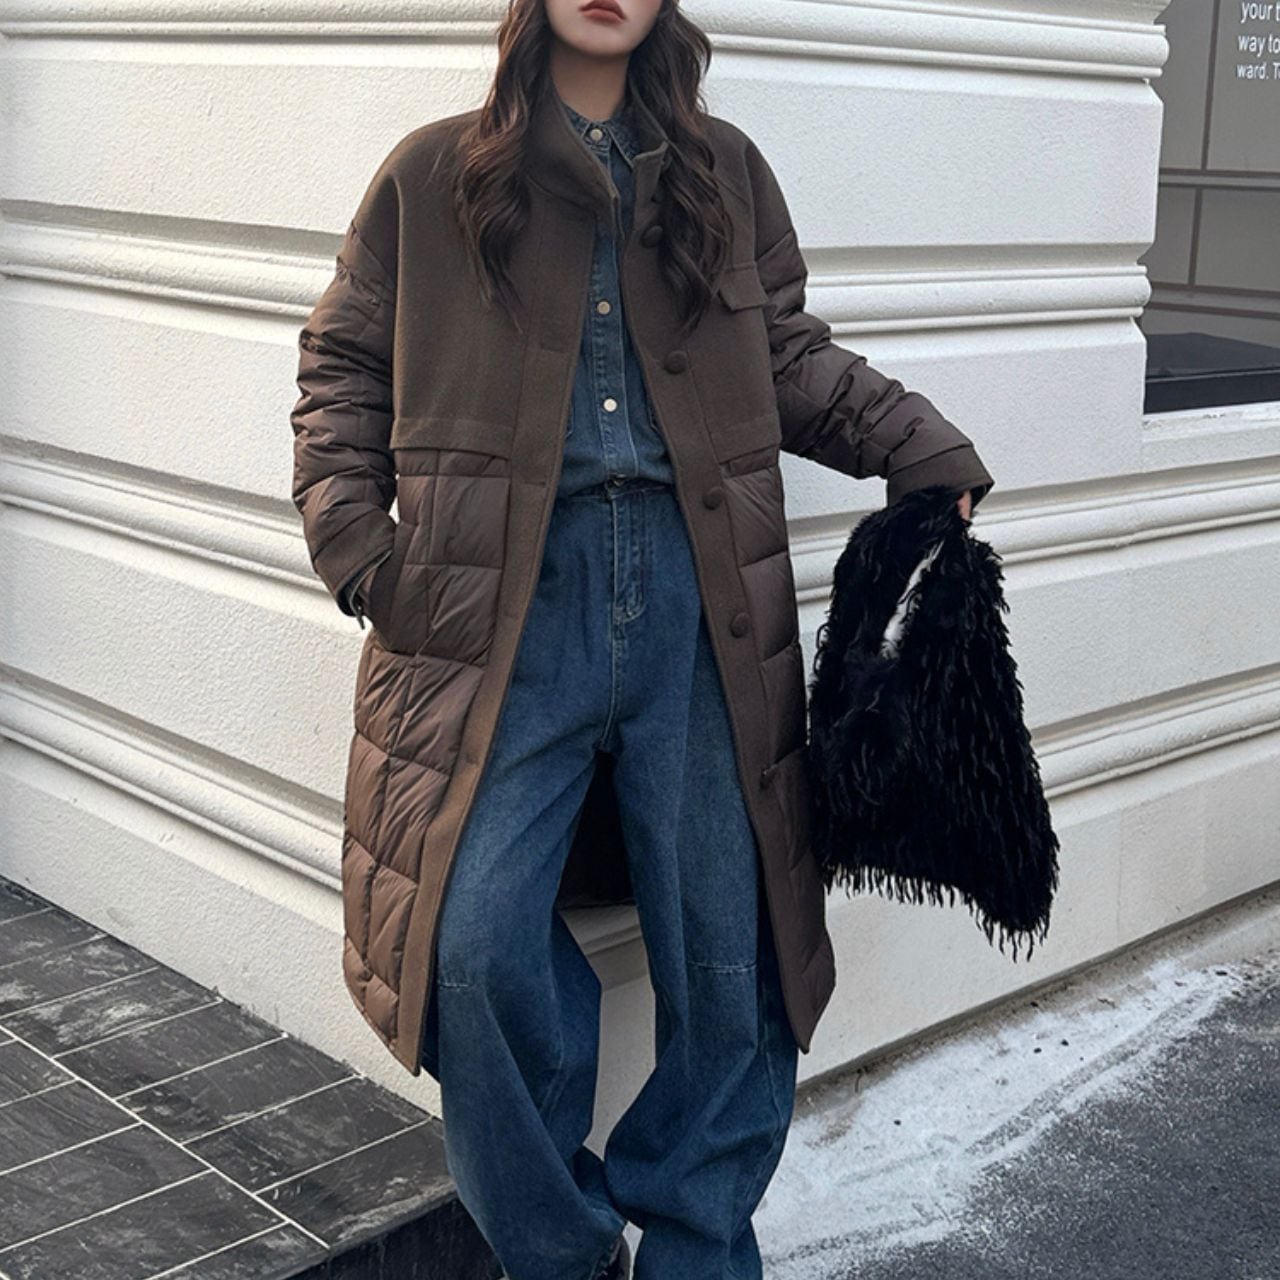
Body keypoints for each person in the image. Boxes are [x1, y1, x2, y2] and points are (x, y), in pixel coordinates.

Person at [290, 3, 993, 1278]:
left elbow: (783, 354)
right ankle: (563, 1250)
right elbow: (341, 369)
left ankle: (694, 1243)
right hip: (497, 613)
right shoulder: (431, 175)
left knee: (732, 954)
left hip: (701, 601)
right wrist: (363, 555)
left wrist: (916, 443)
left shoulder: (726, 173)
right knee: (470, 942)